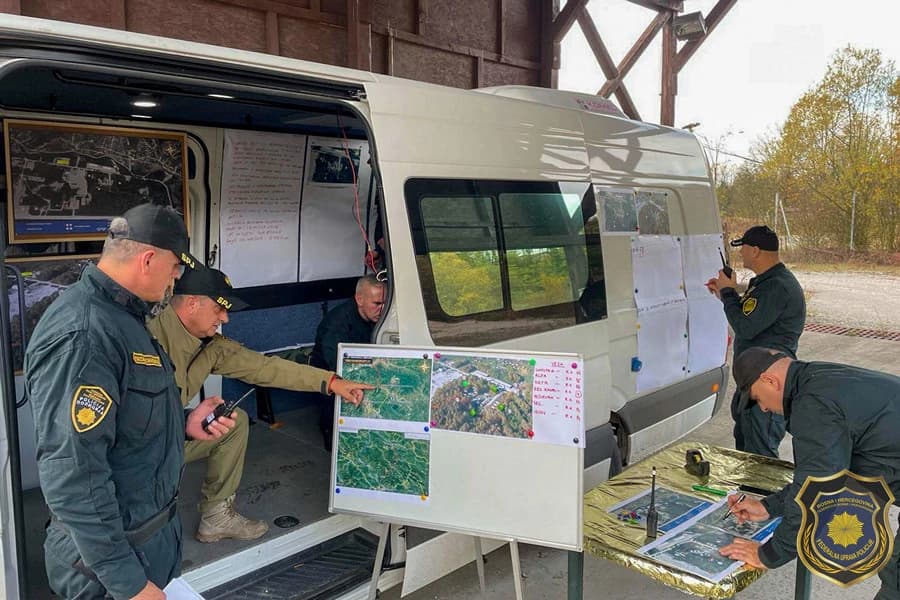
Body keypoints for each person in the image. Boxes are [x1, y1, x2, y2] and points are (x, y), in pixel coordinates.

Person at [26, 204, 236, 600]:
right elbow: (74, 476)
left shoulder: (122, 316)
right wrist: (130, 584)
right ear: (148, 259)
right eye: (176, 267)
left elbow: (125, 415)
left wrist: (184, 421)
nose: (177, 278)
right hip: (106, 575)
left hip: (142, 551)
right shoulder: (86, 335)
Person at [147, 265, 373, 543]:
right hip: (132, 454)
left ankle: (215, 518)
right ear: (192, 303)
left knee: (233, 422)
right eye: (219, 309)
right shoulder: (143, 338)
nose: (225, 318)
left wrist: (331, 382)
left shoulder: (209, 345)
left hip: (171, 437)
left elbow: (265, 368)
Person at [718, 347, 900, 599]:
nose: (764, 409)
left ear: (770, 380)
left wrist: (768, 554)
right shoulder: (819, 378)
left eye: (757, 399)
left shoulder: (812, 405)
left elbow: (819, 492)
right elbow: (828, 473)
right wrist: (769, 507)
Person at [706, 225, 805, 457]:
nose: (741, 253)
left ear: (755, 251)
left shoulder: (777, 286)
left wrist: (729, 293)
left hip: (768, 384)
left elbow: (745, 327)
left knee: (761, 455)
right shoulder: (766, 282)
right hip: (754, 380)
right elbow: (751, 315)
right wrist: (725, 294)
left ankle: (760, 484)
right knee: (748, 451)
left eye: (744, 248)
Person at [310, 275, 386, 449]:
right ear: (359, 299)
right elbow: (335, 364)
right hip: (330, 374)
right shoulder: (336, 325)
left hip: (364, 366)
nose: (382, 309)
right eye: (376, 304)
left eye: (384, 303)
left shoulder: (379, 317)